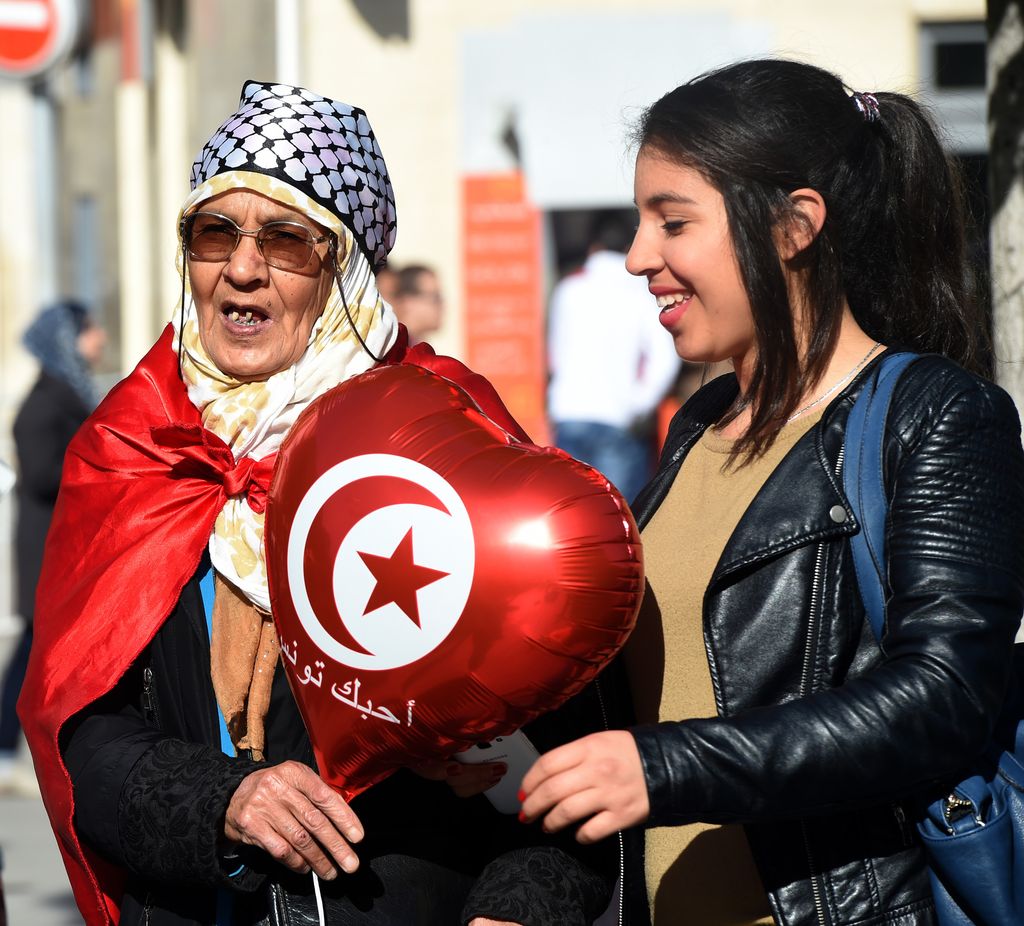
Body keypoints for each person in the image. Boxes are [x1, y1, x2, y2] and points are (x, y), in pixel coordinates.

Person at [19, 81, 612, 926]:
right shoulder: (131, 441)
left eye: (287, 240)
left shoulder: (448, 438)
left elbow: (574, 743)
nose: (242, 268)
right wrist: (224, 799)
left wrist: (518, 910)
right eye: (213, 232)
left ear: (345, 272)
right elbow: (81, 726)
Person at [520, 58, 1024, 925]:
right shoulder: (699, 421)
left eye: (672, 222)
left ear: (794, 227)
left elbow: (949, 696)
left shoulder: (937, 413)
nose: (641, 257)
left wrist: (665, 769)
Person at [0, 301, 104, 794]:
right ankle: (4, 741)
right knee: (35, 648)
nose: (99, 338)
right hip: (47, 545)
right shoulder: (47, 401)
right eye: (89, 330)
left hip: (64, 544)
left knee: (46, 648)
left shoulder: (70, 392)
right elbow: (43, 475)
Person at [547, 213, 680, 503]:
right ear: (627, 250)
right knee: (619, 521)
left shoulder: (567, 289)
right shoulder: (640, 293)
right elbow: (664, 359)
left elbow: (555, 355)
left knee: (574, 515)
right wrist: (638, 406)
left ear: (593, 248)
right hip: (618, 420)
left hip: (569, 415)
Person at [390, 264, 444, 345]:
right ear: (407, 301)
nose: (442, 304)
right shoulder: (394, 350)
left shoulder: (414, 346)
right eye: (435, 297)